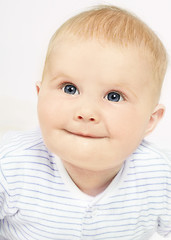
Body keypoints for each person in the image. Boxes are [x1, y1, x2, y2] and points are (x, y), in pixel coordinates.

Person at [0, 5, 170, 240]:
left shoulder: (159, 176)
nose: (86, 111)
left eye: (114, 96)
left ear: (150, 120)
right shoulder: (10, 164)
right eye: (70, 89)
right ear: (40, 94)